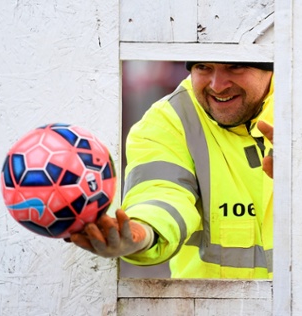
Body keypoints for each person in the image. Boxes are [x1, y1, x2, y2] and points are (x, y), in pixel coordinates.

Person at [70, 61, 274, 279]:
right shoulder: (168, 120)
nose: (217, 85)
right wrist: (144, 230)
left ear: (271, 68)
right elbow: (160, 190)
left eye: (235, 67)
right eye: (203, 67)